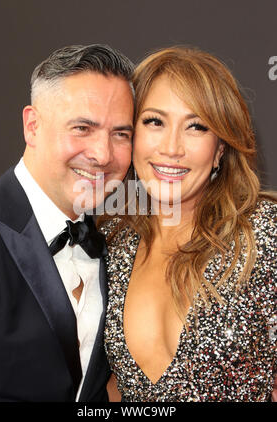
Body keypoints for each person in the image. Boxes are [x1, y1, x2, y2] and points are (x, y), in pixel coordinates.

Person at [98, 46, 277, 402]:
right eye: (154, 121)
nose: (172, 148)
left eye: (196, 126)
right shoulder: (111, 239)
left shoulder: (265, 234)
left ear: (220, 149)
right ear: (129, 134)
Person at [0, 44, 134, 401]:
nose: (103, 155)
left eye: (121, 134)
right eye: (82, 127)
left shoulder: (121, 242)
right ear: (32, 126)